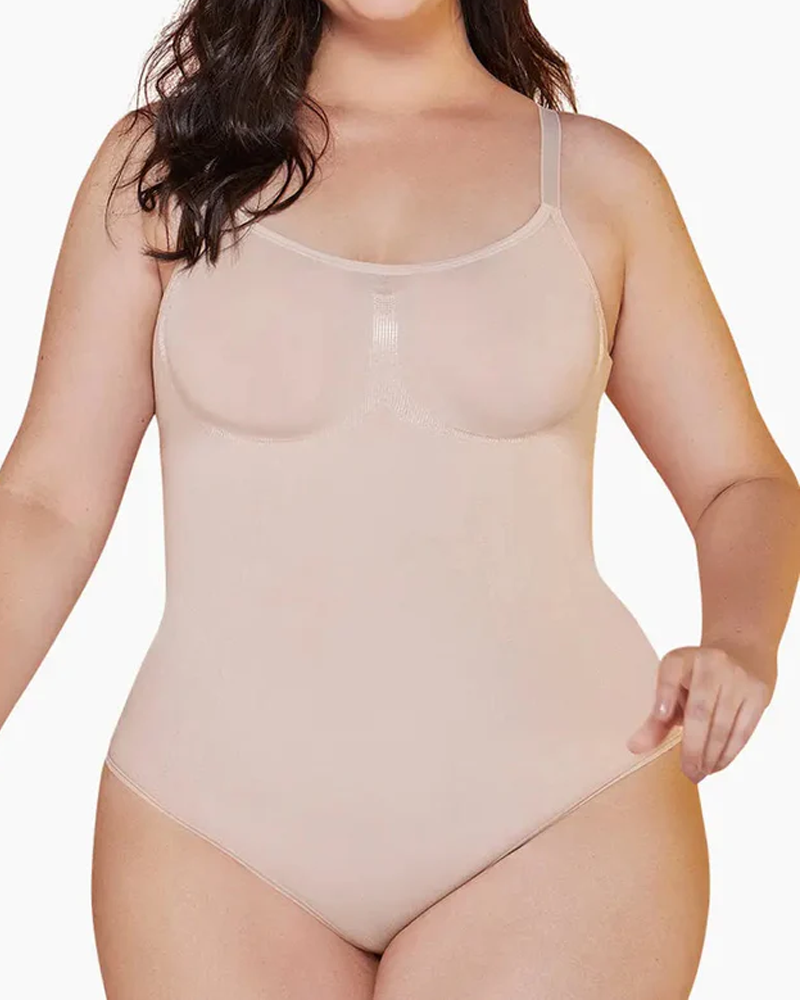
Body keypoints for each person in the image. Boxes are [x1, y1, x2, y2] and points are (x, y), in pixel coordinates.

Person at [1, 1, 798, 997]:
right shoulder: (162, 172)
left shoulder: (599, 181)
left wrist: (740, 639)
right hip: (206, 832)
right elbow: (46, 501)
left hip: (563, 815)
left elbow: (739, 479)